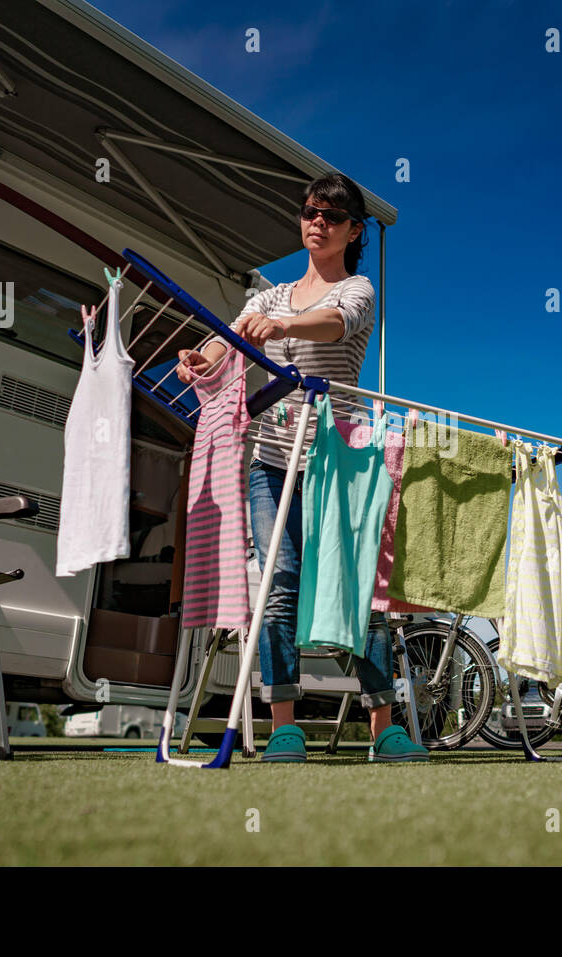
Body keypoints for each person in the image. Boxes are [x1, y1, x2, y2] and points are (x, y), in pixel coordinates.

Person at [176, 174, 427, 764]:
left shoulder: (359, 288)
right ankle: (284, 724)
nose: (318, 222)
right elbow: (225, 342)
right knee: (279, 586)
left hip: (338, 460)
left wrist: (287, 326)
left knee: (354, 587)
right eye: (311, 212)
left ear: (352, 230)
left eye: (332, 216)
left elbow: (337, 323)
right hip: (269, 461)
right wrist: (198, 360)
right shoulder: (266, 297)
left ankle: (384, 728)